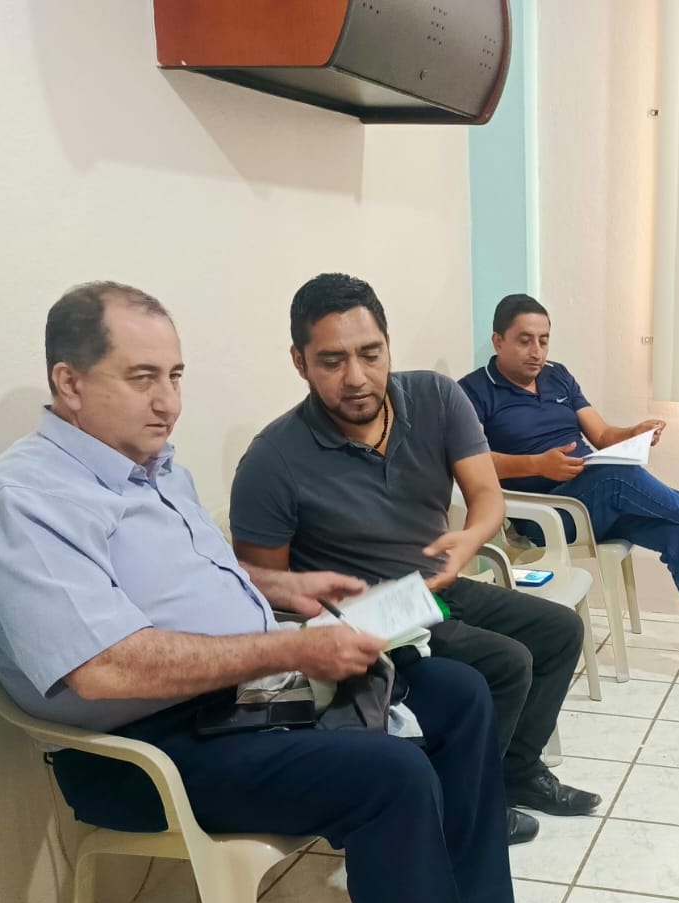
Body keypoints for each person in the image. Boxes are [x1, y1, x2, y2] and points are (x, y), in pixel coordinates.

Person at [0, 281, 561, 903]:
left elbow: (182, 585)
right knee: (390, 776)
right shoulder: (21, 502)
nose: (167, 401)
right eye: (141, 377)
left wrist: (279, 589)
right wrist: (289, 648)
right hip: (151, 752)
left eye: (175, 375)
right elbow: (102, 669)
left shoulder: (154, 469)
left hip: (237, 697)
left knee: (457, 691)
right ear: (69, 382)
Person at [229, 274, 601, 847]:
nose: (356, 377)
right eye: (331, 361)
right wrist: (336, 614)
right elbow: (263, 589)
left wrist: (470, 538)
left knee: (560, 630)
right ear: (300, 362)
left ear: (387, 344)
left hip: (438, 586)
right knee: (506, 663)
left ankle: (515, 773)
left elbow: (486, 494)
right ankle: (468, 806)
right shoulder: (273, 459)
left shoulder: (436, 398)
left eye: (369, 353)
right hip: (371, 617)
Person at [459, 294, 679, 697]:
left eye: (544, 340)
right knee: (617, 476)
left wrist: (633, 434)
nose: (537, 351)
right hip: (548, 516)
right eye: (525, 340)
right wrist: (537, 465)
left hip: (599, 499)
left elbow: (602, 435)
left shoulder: (558, 376)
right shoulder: (471, 391)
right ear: (498, 340)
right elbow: (473, 463)